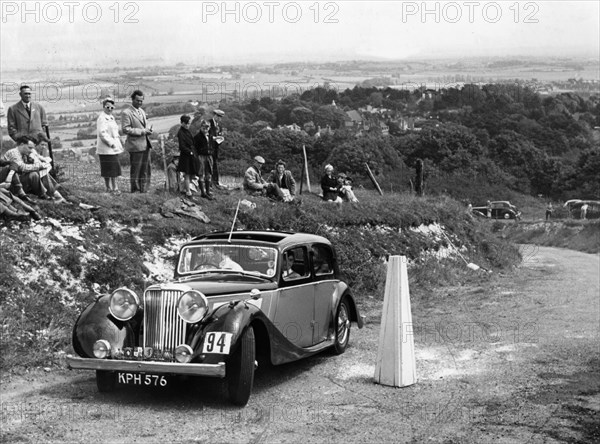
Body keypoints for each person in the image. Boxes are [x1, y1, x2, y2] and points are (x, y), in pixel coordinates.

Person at [1, 136, 66, 202]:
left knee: (42, 172)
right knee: (34, 174)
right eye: (29, 148)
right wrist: (38, 166)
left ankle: (55, 195)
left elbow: (33, 165)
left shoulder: (24, 154)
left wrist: (35, 161)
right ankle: (51, 195)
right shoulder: (13, 153)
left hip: (20, 181)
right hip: (11, 185)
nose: (31, 150)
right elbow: (22, 168)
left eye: (32, 148)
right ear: (21, 144)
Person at [121, 90, 153, 193]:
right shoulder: (126, 113)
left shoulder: (142, 111)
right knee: (136, 169)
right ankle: (135, 190)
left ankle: (143, 189)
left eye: (141, 101)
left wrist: (148, 130)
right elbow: (126, 129)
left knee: (145, 168)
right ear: (132, 100)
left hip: (145, 144)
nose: (139, 103)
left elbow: (143, 125)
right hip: (135, 145)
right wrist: (143, 131)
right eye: (137, 100)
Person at [96, 97, 124, 194]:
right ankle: (109, 188)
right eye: (108, 107)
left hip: (112, 148)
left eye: (112, 107)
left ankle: (114, 187)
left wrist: (118, 142)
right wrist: (111, 143)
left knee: (114, 168)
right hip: (106, 148)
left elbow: (115, 132)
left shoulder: (111, 117)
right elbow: (102, 133)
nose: (110, 109)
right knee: (108, 168)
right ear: (104, 107)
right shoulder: (102, 118)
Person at [176, 115, 198, 198]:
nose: (188, 125)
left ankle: (188, 189)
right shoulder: (181, 133)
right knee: (187, 174)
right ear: (182, 123)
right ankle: (188, 192)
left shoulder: (187, 131)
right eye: (187, 124)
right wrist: (190, 152)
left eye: (189, 123)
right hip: (186, 156)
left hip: (191, 155)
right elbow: (182, 146)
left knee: (192, 174)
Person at [193, 119, 215, 200]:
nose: (206, 129)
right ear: (201, 127)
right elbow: (194, 148)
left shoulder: (210, 136)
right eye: (204, 127)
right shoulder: (197, 137)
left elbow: (212, 146)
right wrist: (197, 157)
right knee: (201, 174)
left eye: (207, 127)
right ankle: (203, 193)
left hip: (209, 156)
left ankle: (208, 191)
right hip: (201, 156)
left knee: (209, 174)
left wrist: (212, 152)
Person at [209, 109, 225, 189]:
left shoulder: (219, 126)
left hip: (216, 149)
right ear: (215, 115)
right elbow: (206, 136)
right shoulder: (208, 123)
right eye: (219, 117)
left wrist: (220, 139)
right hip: (209, 148)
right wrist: (215, 138)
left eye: (221, 118)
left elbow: (219, 136)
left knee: (215, 165)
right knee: (209, 165)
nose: (220, 119)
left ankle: (216, 182)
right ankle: (210, 183)